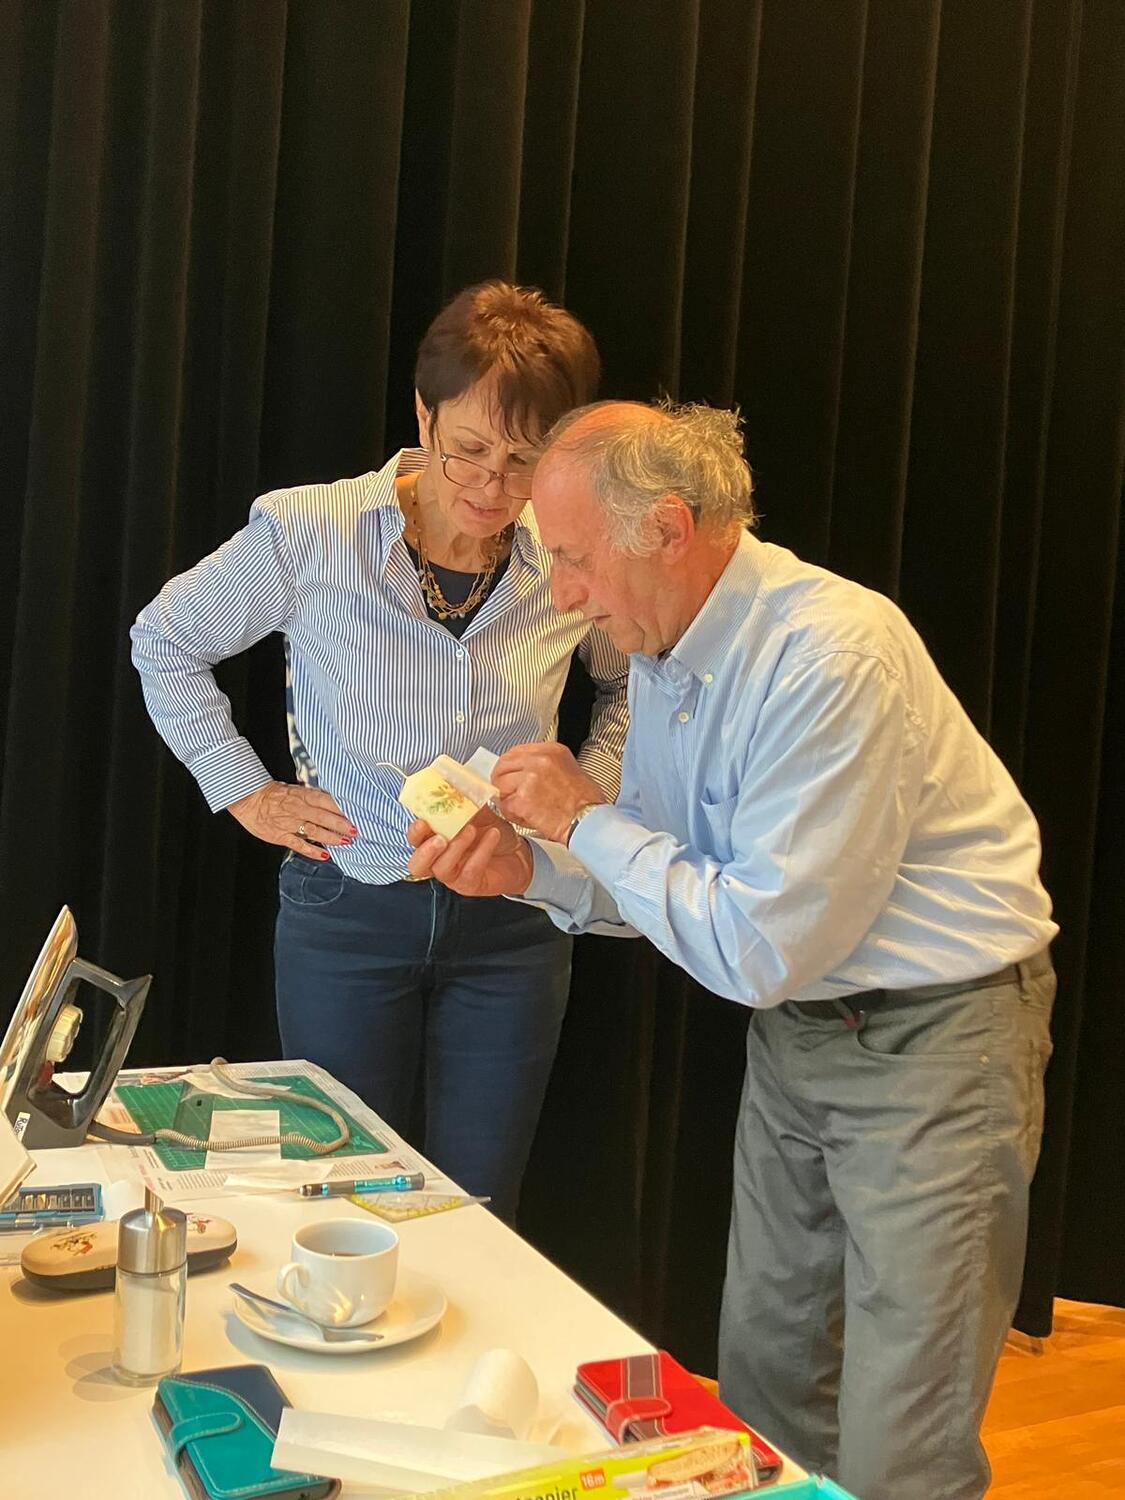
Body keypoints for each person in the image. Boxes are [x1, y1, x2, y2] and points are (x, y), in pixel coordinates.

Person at [406, 399, 1058, 1500]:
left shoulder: (830, 653)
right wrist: (533, 871)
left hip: (941, 1040)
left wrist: (583, 822)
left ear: (668, 527)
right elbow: (673, 886)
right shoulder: (669, 654)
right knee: (765, 1386)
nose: (562, 593)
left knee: (903, 1433)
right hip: (803, 1031)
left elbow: (758, 944)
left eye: (574, 558)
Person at [131, 283, 629, 1222]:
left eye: (523, 462)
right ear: (422, 415)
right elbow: (164, 640)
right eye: (467, 449)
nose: (491, 487)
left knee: (481, 1204)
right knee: (340, 1198)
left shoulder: (566, 549)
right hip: (347, 907)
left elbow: (632, 680)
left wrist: (582, 795)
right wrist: (246, 791)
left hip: (518, 913)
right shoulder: (311, 533)